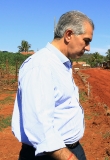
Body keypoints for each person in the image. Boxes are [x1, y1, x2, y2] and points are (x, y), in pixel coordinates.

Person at [11, 10, 94, 160]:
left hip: (68, 148)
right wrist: (68, 157)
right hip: (51, 154)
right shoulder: (41, 66)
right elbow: (39, 125)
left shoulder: (61, 64)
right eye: (86, 41)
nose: (88, 47)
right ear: (68, 35)